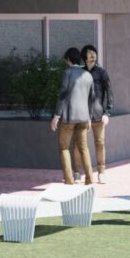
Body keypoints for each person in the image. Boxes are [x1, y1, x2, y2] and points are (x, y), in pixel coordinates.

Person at [49, 45, 99, 185]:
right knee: (84, 148)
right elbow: (92, 98)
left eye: (66, 60)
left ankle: (69, 180)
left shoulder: (68, 73)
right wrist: (89, 117)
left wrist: (56, 116)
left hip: (68, 118)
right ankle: (89, 179)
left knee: (64, 147)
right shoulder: (87, 75)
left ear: (69, 59)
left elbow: (63, 95)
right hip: (83, 118)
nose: (66, 62)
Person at [83, 44, 113, 187]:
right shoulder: (81, 73)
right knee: (79, 145)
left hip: (99, 115)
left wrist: (107, 112)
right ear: (84, 56)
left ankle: (102, 172)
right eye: (89, 53)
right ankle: (77, 172)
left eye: (94, 53)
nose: (93, 55)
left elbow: (109, 93)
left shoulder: (101, 72)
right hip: (82, 115)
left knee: (100, 144)